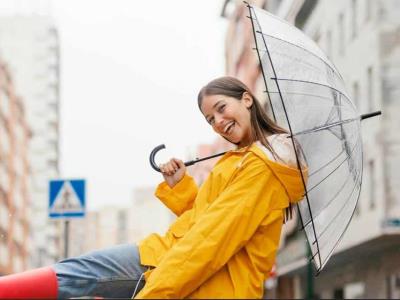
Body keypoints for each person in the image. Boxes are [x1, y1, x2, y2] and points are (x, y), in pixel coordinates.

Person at [0, 76, 307, 299]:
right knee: (77, 272)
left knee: (78, 273)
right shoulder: (242, 159)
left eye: (222, 108)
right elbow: (210, 219)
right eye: (210, 118)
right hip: (175, 260)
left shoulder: (261, 168)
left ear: (247, 99)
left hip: (195, 277)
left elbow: (211, 241)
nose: (218, 122)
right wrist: (180, 187)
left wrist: (156, 293)